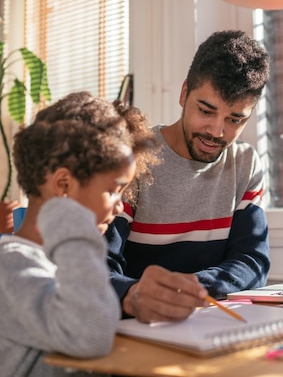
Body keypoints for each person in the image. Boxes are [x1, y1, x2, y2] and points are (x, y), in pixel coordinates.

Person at [0, 92, 207, 377]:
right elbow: (90, 334)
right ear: (64, 185)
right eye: (113, 189)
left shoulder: (70, 257)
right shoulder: (7, 265)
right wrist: (71, 222)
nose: (120, 206)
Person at [107, 30, 271, 322]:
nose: (217, 132)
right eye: (206, 111)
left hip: (205, 322)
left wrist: (194, 288)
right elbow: (99, 265)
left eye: (235, 120)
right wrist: (135, 295)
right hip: (137, 325)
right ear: (184, 94)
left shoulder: (245, 163)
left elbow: (253, 260)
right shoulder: (133, 159)